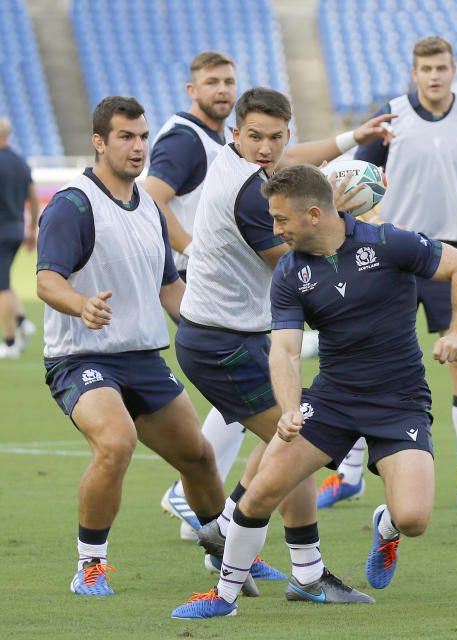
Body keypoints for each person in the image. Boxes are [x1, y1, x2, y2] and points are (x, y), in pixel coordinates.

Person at [170, 163, 457, 617]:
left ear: (315, 214)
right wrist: (290, 408)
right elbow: (284, 352)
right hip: (333, 401)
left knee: (413, 518)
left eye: (281, 220)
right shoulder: (290, 273)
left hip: (400, 403)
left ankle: (387, 528)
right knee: (258, 493)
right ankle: (223, 597)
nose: (274, 229)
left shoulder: (387, 242)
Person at [172, 86, 393, 603]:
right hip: (221, 340)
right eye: (255, 137)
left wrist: (349, 140)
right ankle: (305, 573)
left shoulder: (245, 165)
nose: (266, 147)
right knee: (300, 442)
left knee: (287, 441)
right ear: (236, 135)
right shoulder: (251, 192)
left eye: (275, 137)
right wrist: (341, 220)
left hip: (228, 333)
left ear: (285, 134)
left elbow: (293, 162)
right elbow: (296, 263)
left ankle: (229, 525)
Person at [35, 96, 227, 595]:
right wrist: (81, 305)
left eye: (142, 136)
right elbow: (47, 280)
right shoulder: (73, 203)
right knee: (116, 442)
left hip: (143, 357)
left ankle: (230, 555)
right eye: (125, 136)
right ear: (100, 142)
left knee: (199, 457)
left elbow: (169, 289)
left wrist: (216, 325)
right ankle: (90, 566)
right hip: (82, 358)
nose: (138, 146)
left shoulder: (149, 208)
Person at [350, 35, 457, 510]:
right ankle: (347, 476)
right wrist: (371, 220)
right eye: (426, 68)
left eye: (442, 67)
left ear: (453, 69)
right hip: (394, 255)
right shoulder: (392, 115)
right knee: (365, 364)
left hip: (454, 258)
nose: (434, 76)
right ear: (414, 72)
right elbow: (360, 181)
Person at [143, 51, 250, 545]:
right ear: (192, 90)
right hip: (197, 280)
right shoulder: (185, 139)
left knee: (246, 386)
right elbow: (152, 197)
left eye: (229, 81)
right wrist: (195, 250)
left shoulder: (213, 138)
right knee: (249, 385)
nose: (223, 89)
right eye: (212, 82)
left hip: (212, 280)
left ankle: (200, 505)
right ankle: (194, 496)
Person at [0, 116, 39, 358]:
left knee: (2, 287)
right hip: (15, 228)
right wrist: (32, 230)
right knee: (2, 281)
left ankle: (10, 342)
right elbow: (33, 200)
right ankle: (23, 321)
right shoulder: (20, 162)